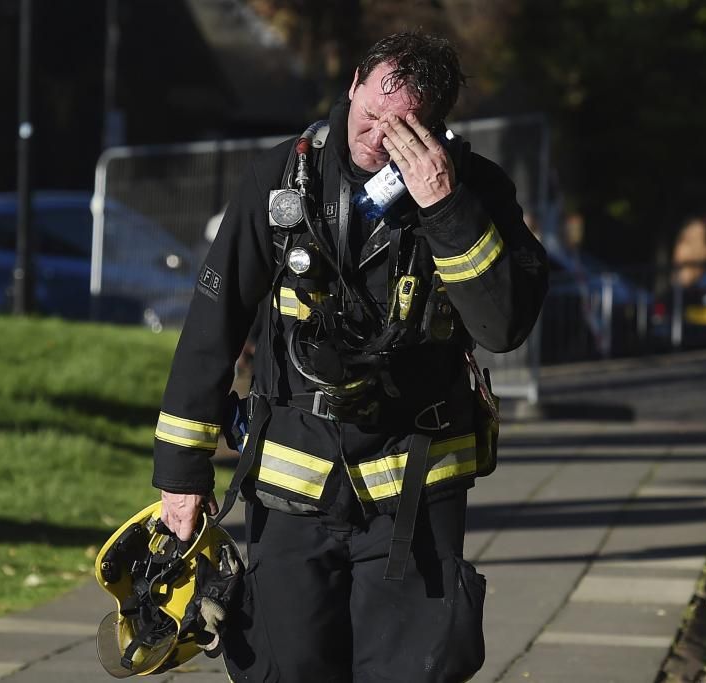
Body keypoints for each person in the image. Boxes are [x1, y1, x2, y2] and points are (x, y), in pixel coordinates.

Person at [152, 32, 547, 682]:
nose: (373, 139)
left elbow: (503, 326)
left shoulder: (474, 193)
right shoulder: (281, 180)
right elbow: (211, 327)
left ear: (435, 124)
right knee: (284, 668)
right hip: (292, 491)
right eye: (369, 117)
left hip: (413, 496)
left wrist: (446, 209)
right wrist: (181, 474)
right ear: (356, 82)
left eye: (401, 130)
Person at [672, 209, 706, 288]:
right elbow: (700, 255)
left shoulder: (696, 228)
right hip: (687, 281)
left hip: (688, 280)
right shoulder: (697, 228)